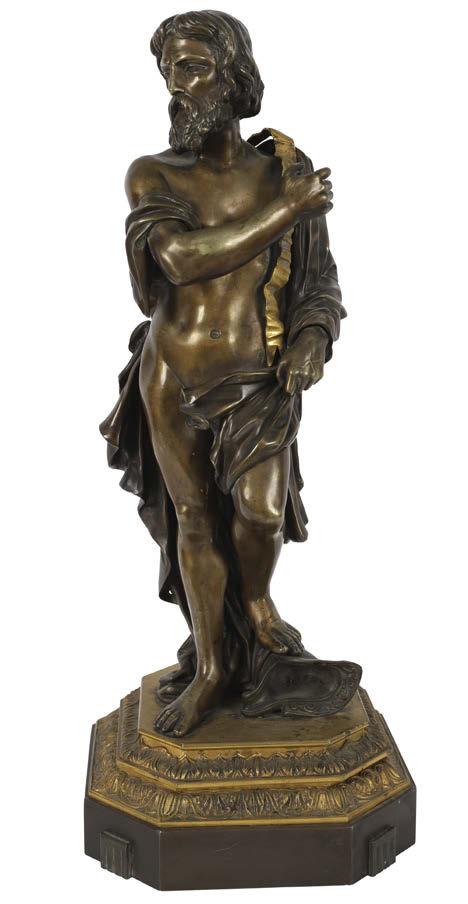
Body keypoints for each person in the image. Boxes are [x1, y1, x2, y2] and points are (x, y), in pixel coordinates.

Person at [101, 10, 344, 736]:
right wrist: (286, 211)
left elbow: (319, 285)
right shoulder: (154, 174)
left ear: (234, 76)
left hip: (257, 380)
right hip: (172, 376)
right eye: (168, 70)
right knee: (195, 519)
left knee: (261, 513)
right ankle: (211, 670)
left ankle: (259, 605)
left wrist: (310, 340)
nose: (176, 85)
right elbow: (180, 261)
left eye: (193, 67)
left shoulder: (283, 172)